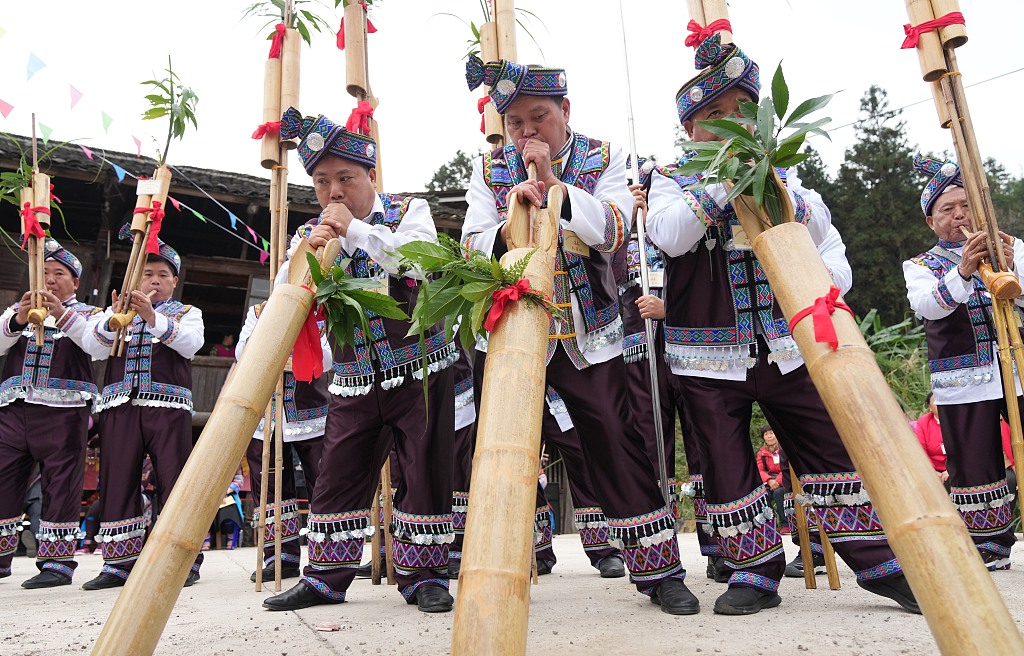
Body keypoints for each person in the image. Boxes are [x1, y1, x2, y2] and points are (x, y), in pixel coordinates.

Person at [645, 34, 918, 615]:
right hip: (705, 353)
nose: (728, 122)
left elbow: (819, 239)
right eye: (711, 115)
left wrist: (776, 183)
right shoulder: (669, 175)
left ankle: (879, 564)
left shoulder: (782, 167)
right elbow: (668, 235)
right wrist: (727, 180)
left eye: (740, 108)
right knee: (723, 459)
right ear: (690, 129)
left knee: (827, 444)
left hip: (785, 343)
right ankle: (754, 572)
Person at [463, 55, 696, 615]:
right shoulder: (488, 169)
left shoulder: (603, 156)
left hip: (588, 334)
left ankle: (658, 569)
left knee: (616, 440)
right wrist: (507, 223)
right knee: (500, 448)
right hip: (511, 330)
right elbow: (471, 243)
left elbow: (614, 230)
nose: (526, 132)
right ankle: (497, 573)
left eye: (538, 117)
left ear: (565, 110)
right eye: (515, 122)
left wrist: (556, 190)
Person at [262, 107, 457, 614]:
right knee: (338, 472)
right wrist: (305, 255)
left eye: (345, 178)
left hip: (420, 370)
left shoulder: (408, 211)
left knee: (424, 472)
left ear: (371, 175)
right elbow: (290, 297)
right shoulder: (311, 233)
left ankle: (426, 576)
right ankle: (325, 576)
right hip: (353, 378)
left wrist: (353, 232)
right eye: (323, 181)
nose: (334, 191)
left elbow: (417, 262)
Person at [904, 163, 1024, 572]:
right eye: (948, 209)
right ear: (930, 220)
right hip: (963, 381)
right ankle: (989, 545)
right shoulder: (919, 265)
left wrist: (1012, 268)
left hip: (1018, 368)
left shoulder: (1012, 246)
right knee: (974, 461)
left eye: (966, 206)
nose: (959, 215)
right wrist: (964, 271)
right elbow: (928, 306)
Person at [80, 233, 205, 590]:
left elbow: (191, 344)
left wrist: (152, 317)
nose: (154, 280)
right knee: (117, 480)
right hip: (119, 406)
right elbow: (93, 348)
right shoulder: (116, 313)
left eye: (162, 274)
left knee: (175, 480)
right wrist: (112, 320)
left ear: (174, 281)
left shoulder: (187, 314)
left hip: (168, 408)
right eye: (147, 273)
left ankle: (183, 560)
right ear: (135, 279)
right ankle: (118, 563)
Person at [0, 239, 104, 588]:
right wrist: (17, 319)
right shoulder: (17, 310)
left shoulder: (89, 314)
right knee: (3, 480)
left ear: (75, 282)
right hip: (14, 408)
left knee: (61, 484)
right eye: (43, 273)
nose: (50, 279)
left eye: (59, 273)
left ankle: (57, 564)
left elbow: (96, 346)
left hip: (63, 412)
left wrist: (61, 313)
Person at [238, 301, 329, 582]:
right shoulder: (259, 312)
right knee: (270, 488)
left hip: (311, 413)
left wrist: (298, 353)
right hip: (268, 414)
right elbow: (243, 352)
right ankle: (279, 557)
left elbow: (330, 357)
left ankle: (326, 556)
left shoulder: (326, 309)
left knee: (323, 483)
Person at [755, 426, 786, 528]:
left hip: (784, 480)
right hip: (770, 482)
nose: (769, 436)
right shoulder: (762, 453)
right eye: (766, 434)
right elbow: (760, 470)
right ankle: (770, 526)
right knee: (763, 496)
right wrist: (769, 481)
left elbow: (787, 468)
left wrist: (777, 481)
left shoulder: (783, 449)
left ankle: (785, 524)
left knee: (778, 493)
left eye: (771, 433)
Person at [914, 393, 948, 481]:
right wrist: (931, 472)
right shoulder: (923, 422)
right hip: (933, 470)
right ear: (930, 407)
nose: (940, 404)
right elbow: (921, 450)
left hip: (957, 469)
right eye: (936, 401)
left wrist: (951, 470)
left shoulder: (958, 420)